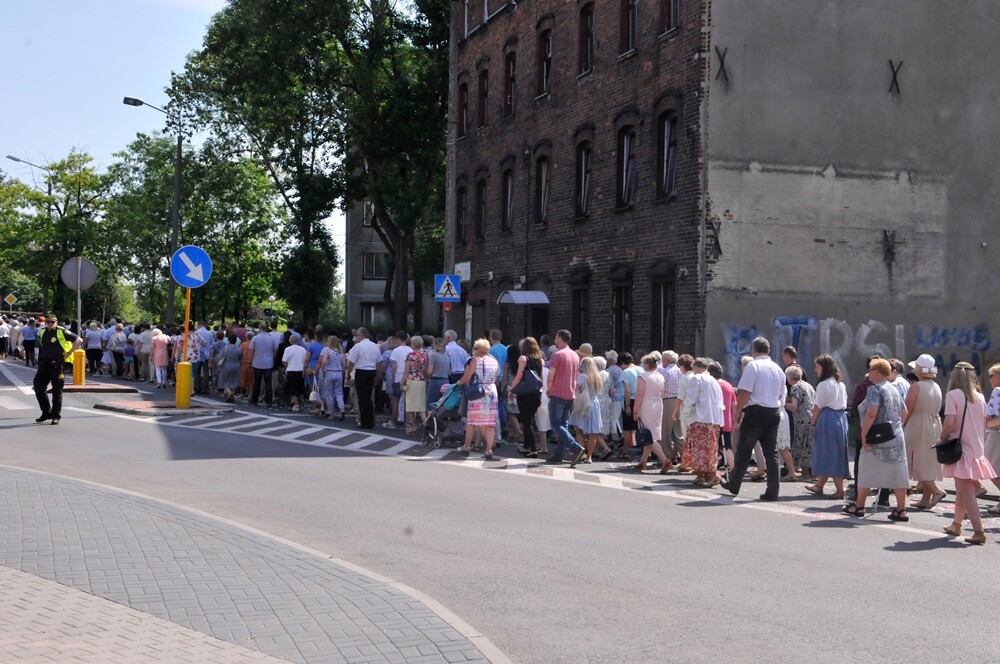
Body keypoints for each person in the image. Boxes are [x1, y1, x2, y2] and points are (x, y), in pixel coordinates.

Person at [720, 337, 786, 501]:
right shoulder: (778, 369)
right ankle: (773, 491)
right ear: (768, 350)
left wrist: (737, 410)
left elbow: (746, 392)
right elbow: (780, 393)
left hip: (756, 411)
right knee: (772, 453)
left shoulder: (753, 366)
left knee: (744, 448)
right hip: (773, 411)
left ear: (754, 350)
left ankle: (734, 484)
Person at [844, 358, 910, 521]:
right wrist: (896, 427)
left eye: (871, 370)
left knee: (866, 470)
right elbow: (905, 412)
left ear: (877, 372)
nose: (868, 374)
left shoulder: (875, 389)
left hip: (876, 438)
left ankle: (859, 506)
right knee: (899, 473)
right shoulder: (894, 389)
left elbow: (871, 413)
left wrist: (865, 435)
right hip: (895, 437)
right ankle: (901, 510)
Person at [941, 362, 997, 544]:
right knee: (961, 490)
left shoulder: (953, 395)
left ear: (954, 377)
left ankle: (978, 532)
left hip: (960, 450)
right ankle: (956, 524)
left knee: (966, 491)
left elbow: (949, 424)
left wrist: (941, 439)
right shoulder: (980, 397)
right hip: (976, 448)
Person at [904, 354, 945, 509]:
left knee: (917, 460)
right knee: (927, 460)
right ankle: (925, 499)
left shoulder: (916, 386)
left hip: (918, 423)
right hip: (934, 423)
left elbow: (908, 408)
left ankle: (936, 491)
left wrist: (902, 424)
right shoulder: (936, 386)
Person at [806, 354, 850, 499]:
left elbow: (817, 407)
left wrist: (812, 422)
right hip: (840, 418)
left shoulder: (823, 385)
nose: (815, 370)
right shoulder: (840, 384)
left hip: (828, 418)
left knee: (830, 453)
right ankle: (819, 486)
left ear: (824, 368)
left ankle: (840, 490)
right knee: (831, 452)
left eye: (818, 367)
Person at [545, 329, 585, 466]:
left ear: (560, 339)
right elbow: (576, 375)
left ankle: (576, 447)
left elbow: (551, 373)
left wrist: (548, 389)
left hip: (558, 393)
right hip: (570, 394)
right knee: (563, 425)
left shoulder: (557, 355)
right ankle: (558, 455)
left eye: (556, 338)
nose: (555, 341)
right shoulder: (575, 355)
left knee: (556, 425)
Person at [457, 339, 501, 459]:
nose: (473, 351)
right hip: (491, 392)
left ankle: (466, 446)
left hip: (478, 392)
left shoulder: (475, 360)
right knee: (490, 422)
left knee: (472, 421)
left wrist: (459, 382)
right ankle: (488, 449)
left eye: (475, 348)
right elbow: (496, 377)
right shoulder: (494, 361)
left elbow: (466, 378)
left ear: (478, 349)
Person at [33, 315, 81, 425]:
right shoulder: (42, 330)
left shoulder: (62, 331)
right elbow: (42, 343)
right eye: (48, 322)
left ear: (56, 322)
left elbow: (79, 340)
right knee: (38, 387)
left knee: (57, 390)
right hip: (45, 363)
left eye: (52, 322)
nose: (50, 324)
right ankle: (46, 412)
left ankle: (56, 415)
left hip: (57, 365)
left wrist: (68, 353)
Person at [684, 358, 725, 485]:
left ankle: (710, 474)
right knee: (711, 448)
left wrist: (685, 410)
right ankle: (704, 475)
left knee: (698, 447)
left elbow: (690, 398)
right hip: (714, 419)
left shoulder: (696, 379)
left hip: (700, 417)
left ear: (696, 367)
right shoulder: (714, 380)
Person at [632, 354, 672, 473]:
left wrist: (635, 410)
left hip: (646, 404)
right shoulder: (660, 376)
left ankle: (665, 460)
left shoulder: (643, 376)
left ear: (647, 364)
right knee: (650, 433)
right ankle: (643, 461)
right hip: (658, 404)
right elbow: (662, 393)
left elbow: (639, 395)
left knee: (649, 436)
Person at [510, 337, 544, 458]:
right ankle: (525, 447)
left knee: (526, 421)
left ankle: (533, 449)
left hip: (524, 393)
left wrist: (511, 389)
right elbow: (541, 377)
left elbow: (519, 376)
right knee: (530, 419)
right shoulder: (540, 359)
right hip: (536, 393)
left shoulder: (523, 359)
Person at [570, 357, 607, 466]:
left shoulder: (582, 376)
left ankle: (582, 452)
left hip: (583, 404)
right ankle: (589, 456)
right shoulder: (598, 377)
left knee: (578, 429)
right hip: (594, 404)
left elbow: (575, 389)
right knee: (592, 433)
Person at [785, 366, 816, 479]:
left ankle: (805, 473)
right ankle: (809, 472)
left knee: (801, 444)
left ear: (789, 377)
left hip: (801, 419)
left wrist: (782, 403)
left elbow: (793, 406)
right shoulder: (808, 386)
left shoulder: (794, 387)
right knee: (808, 445)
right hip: (811, 417)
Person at [346, 327, 381, 428]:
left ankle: (364, 422)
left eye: (356, 335)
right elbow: (379, 362)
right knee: (368, 397)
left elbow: (351, 362)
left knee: (362, 398)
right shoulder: (375, 346)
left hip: (361, 372)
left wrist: (348, 374)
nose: (355, 337)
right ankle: (370, 420)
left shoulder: (358, 346)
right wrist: (378, 375)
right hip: (371, 371)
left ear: (361, 335)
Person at [708, 362, 737, 473]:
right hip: (727, 420)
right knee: (727, 446)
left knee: (713, 446)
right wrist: (734, 420)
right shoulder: (728, 386)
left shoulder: (711, 384)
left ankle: (712, 470)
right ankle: (733, 468)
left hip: (714, 420)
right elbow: (734, 404)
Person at [660, 351, 684, 464]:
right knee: (678, 432)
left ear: (666, 360)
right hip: (679, 401)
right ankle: (686, 455)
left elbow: (662, 388)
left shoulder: (665, 372)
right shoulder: (680, 371)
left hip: (668, 401)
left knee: (665, 432)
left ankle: (668, 457)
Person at [402, 335, 429, 434]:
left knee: (409, 405)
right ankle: (426, 424)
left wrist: (402, 382)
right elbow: (426, 370)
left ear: (413, 344)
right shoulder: (425, 355)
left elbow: (406, 371)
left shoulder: (410, 355)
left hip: (411, 380)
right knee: (420, 405)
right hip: (421, 380)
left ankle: (413, 426)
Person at [317, 334, 346, 419]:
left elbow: (323, 362)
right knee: (339, 393)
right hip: (339, 373)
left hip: (330, 372)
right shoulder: (341, 352)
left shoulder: (328, 351)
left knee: (329, 394)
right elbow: (344, 364)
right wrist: (343, 372)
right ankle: (342, 409)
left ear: (331, 342)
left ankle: (331, 413)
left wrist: (323, 370)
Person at [673, 354, 694, 470]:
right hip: (697, 412)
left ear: (682, 366)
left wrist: (675, 411)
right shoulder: (697, 376)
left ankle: (687, 463)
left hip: (686, 410)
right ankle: (688, 462)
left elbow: (680, 397)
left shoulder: (684, 378)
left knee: (686, 437)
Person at [619, 352, 641, 457]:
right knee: (642, 425)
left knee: (627, 427)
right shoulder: (641, 369)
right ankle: (648, 451)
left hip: (630, 399)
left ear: (623, 363)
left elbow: (627, 391)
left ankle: (625, 451)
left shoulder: (625, 372)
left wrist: (627, 406)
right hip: (641, 399)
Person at [249, 324, 277, 407]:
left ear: (260, 328)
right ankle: (268, 401)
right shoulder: (271, 338)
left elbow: (251, 352)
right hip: (268, 363)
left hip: (257, 363)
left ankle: (255, 399)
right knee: (268, 383)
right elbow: (274, 351)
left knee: (257, 382)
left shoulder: (255, 338)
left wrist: (249, 362)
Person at [282, 333, 308, 412]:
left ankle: (296, 404)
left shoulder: (288, 349)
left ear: (290, 341)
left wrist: (287, 366)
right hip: (300, 370)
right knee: (299, 388)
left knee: (292, 389)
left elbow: (284, 361)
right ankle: (298, 402)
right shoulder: (303, 349)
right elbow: (305, 361)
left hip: (291, 370)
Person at [604, 350, 625, 451]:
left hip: (613, 396)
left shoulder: (609, 371)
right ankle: (619, 437)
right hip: (621, 396)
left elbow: (608, 385)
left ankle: (619, 437)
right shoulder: (620, 369)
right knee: (616, 417)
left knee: (613, 418)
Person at [426, 338, 451, 412]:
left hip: (435, 381)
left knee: (430, 403)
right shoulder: (447, 356)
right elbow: (449, 372)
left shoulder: (434, 356)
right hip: (446, 381)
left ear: (436, 345)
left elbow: (430, 371)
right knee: (441, 402)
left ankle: (431, 421)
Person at [217, 334, 243, 402]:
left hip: (226, 365)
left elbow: (220, 357)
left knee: (224, 380)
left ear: (228, 340)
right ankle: (231, 396)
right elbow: (241, 359)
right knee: (234, 381)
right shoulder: (239, 349)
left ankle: (229, 392)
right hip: (236, 366)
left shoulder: (226, 347)